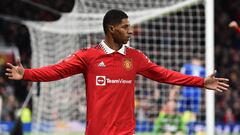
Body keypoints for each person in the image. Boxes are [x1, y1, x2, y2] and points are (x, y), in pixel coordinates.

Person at [5, 9, 229, 135]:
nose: (130, 31)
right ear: (111, 29)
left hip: (125, 133)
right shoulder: (88, 56)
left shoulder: (135, 57)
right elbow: (57, 71)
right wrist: (26, 74)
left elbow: (165, 74)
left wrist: (201, 82)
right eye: (125, 27)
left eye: (129, 26)